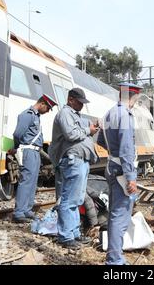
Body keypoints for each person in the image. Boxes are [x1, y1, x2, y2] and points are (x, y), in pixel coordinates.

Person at [97, 82, 143, 265]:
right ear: (132, 97)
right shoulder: (125, 115)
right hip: (121, 171)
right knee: (120, 214)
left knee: (115, 212)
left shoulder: (110, 113)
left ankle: (115, 256)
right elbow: (126, 149)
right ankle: (114, 260)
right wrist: (131, 177)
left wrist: (112, 152)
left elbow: (100, 139)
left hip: (112, 166)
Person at [48, 88, 99, 249]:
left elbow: (83, 130)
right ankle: (65, 236)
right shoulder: (65, 114)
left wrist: (92, 128)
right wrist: (88, 131)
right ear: (70, 100)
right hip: (72, 161)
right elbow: (71, 134)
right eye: (79, 102)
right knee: (69, 199)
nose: (82, 105)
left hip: (80, 161)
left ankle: (74, 233)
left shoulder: (76, 115)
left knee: (76, 199)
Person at [12, 95, 57, 223]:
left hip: (35, 152)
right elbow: (17, 134)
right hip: (28, 150)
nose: (48, 111)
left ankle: (27, 209)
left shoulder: (35, 116)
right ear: (42, 103)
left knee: (32, 182)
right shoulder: (27, 114)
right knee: (26, 180)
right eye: (48, 107)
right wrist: (16, 148)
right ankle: (19, 211)